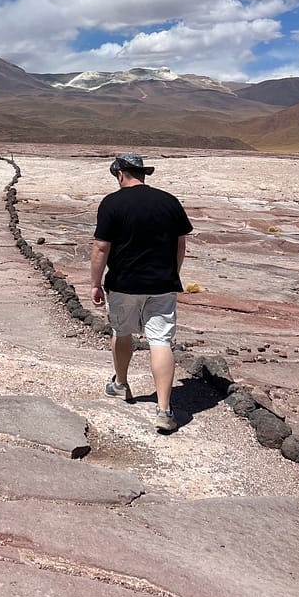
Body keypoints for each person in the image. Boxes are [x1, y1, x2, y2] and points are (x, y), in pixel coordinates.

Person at [90, 153, 192, 432]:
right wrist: (173, 273)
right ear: (143, 174)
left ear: (120, 174)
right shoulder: (169, 201)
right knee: (160, 341)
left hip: (123, 284)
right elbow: (180, 245)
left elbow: (101, 247)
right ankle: (164, 409)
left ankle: (121, 384)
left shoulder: (112, 203)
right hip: (162, 284)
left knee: (122, 332)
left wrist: (95, 283)